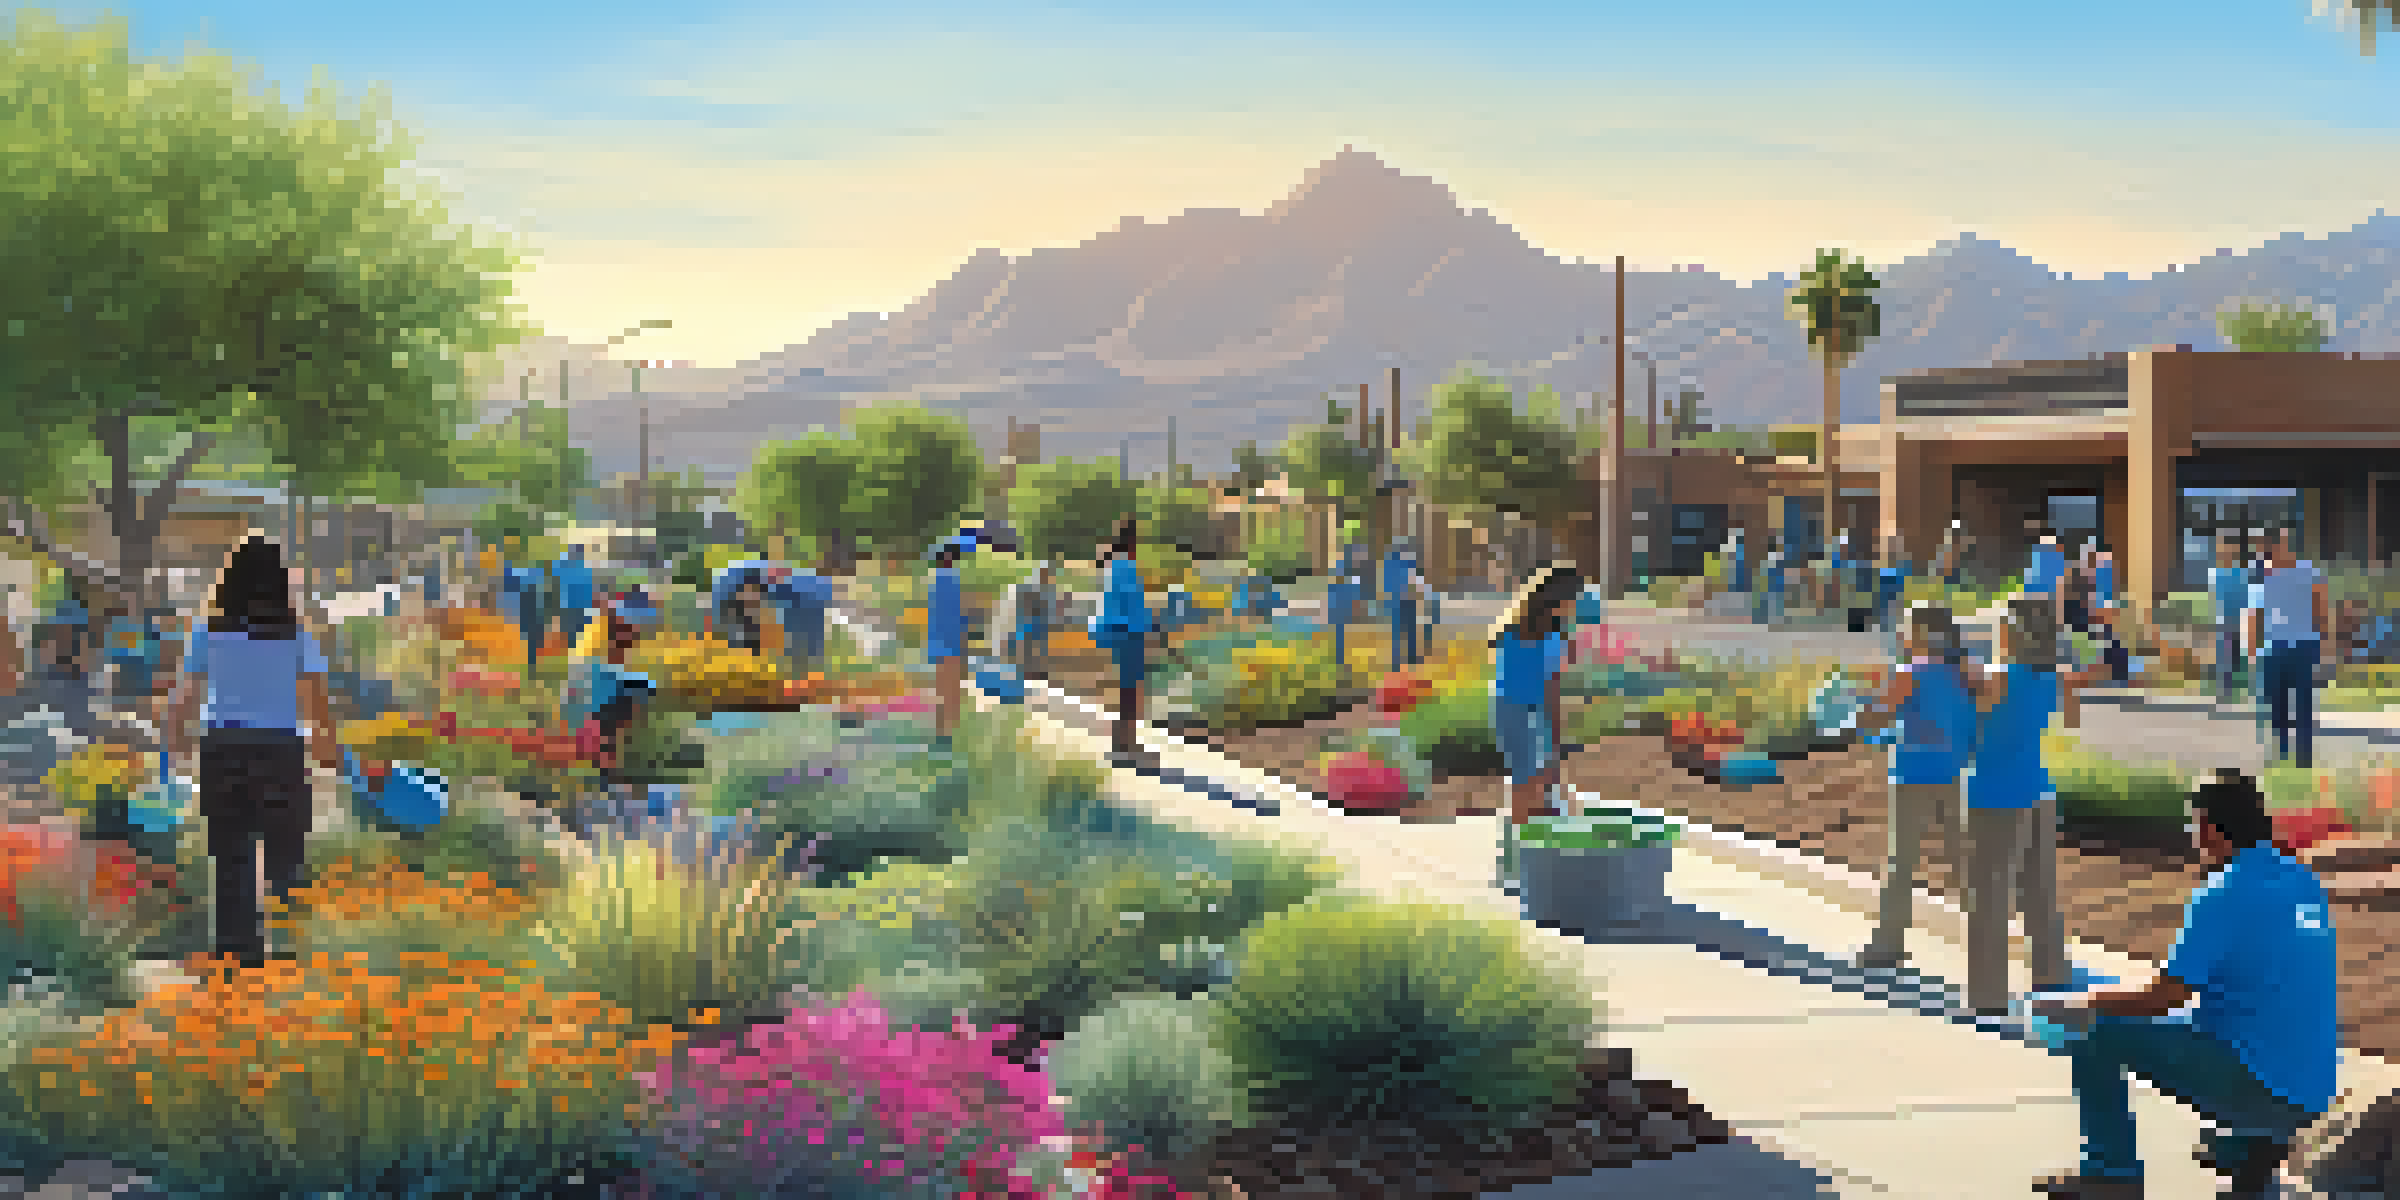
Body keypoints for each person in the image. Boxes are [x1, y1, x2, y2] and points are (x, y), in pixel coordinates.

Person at [2028, 769, 2337, 1199]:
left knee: (2096, 1030)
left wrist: (2084, 1002)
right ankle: (2252, 1148)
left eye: (2194, 824)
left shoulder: (2223, 893)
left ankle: (2110, 1170)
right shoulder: (2303, 880)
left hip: (2259, 1083)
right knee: (2232, 1039)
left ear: (2210, 830)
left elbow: (2167, 996)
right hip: (2312, 1090)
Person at [161, 536, 337, 967]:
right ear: (279, 583)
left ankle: (236, 960)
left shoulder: (208, 633)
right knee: (285, 854)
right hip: (280, 750)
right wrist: (329, 750)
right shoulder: (295, 635)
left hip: (223, 748)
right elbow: (317, 705)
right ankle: (292, 953)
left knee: (230, 855)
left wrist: (174, 750)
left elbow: (181, 702)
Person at [1959, 593, 2071, 1015]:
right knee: (2040, 896)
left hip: (1996, 793)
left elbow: (1972, 727)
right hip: (2038, 791)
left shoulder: (1997, 676)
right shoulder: (2050, 678)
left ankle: (1988, 997)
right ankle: (2053, 988)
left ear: (2010, 631)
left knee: (1989, 896)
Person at [1855, 604, 1978, 971]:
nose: (1902, 634)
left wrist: (1855, 708)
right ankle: (1989, 943)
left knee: (1902, 864)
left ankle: (1887, 946)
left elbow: (1879, 714)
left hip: (1914, 776)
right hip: (1954, 774)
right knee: (1964, 864)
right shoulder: (1965, 673)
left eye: (1906, 628)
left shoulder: (1910, 672)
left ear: (1921, 634)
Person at [1490, 562, 1582, 893]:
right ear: (1560, 601)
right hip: (1531, 713)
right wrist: (1557, 739)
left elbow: (1505, 678)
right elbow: (1550, 691)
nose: (1579, 605)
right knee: (1533, 788)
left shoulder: (1510, 630)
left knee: (1521, 785)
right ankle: (1524, 870)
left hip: (1503, 710)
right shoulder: (1552, 637)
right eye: (1576, 599)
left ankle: (1511, 865)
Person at [2247, 526, 2329, 769]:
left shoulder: (2307, 572)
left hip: (2301, 645)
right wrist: (2253, 650)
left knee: (2302, 703)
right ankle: (2284, 753)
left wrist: (2323, 639)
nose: (2273, 550)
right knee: (2278, 704)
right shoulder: (2262, 575)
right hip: (2275, 648)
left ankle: (2302, 757)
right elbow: (2254, 615)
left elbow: (2321, 606)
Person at [1090, 519, 1154, 767]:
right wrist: (1151, 628)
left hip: (1113, 632)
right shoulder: (1127, 568)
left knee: (1125, 690)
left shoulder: (1110, 566)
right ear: (1133, 542)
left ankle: (1123, 744)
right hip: (1129, 633)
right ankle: (1127, 746)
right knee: (1131, 690)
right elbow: (1135, 607)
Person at [926, 537, 969, 749]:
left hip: (936, 645)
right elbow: (959, 618)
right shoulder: (953, 581)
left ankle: (940, 734)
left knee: (941, 691)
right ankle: (947, 738)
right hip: (951, 645)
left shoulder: (934, 582)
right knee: (952, 693)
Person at [2210, 535, 2252, 705]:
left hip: (2240, 620)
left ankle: (2239, 689)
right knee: (2224, 656)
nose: (2226, 554)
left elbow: (2247, 598)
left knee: (2239, 656)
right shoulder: (2216, 574)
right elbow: (2214, 600)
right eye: (2223, 551)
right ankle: (2225, 691)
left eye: (2230, 551)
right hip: (2222, 621)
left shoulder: (2242, 573)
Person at [1001, 561, 1057, 680]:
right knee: (1029, 651)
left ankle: (1035, 672)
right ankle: (1029, 673)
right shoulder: (1028, 590)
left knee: (1037, 651)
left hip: (1038, 628)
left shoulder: (1048, 591)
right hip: (1029, 628)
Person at [1383, 537, 1432, 671]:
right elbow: (1415, 579)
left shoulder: (1392, 561)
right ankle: (1405, 659)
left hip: (1402, 600)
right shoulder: (1400, 561)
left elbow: (1415, 579)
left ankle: (1403, 660)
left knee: (1403, 630)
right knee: (1405, 630)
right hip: (1403, 600)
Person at [553, 542, 596, 652]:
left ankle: (569, 649)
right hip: (577, 605)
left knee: (570, 629)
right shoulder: (585, 568)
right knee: (576, 629)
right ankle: (572, 650)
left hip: (569, 604)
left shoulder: (564, 565)